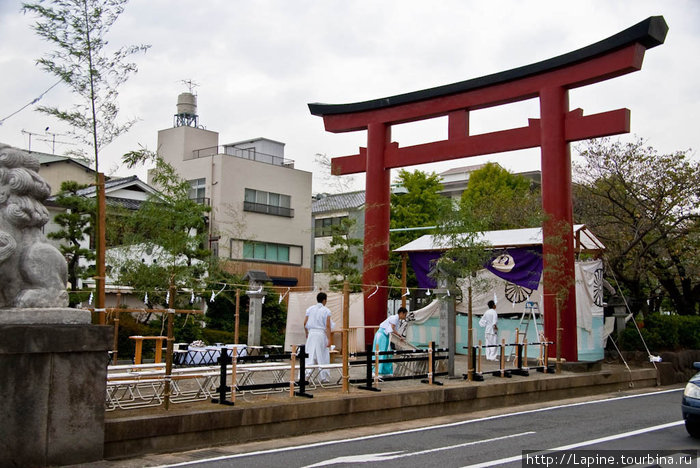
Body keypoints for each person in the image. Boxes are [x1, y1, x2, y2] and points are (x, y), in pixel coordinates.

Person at [304, 292, 332, 382]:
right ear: (324, 300)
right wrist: (329, 339)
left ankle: (307, 374)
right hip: (320, 334)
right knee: (322, 355)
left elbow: (304, 323)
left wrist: (306, 333)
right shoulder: (326, 310)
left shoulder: (310, 309)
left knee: (310, 354)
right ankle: (323, 377)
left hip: (311, 333)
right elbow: (328, 326)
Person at [372, 307, 408, 376]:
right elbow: (392, 329)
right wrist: (399, 336)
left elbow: (393, 330)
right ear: (401, 313)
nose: (405, 316)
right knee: (381, 353)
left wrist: (399, 336)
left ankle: (385, 372)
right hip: (382, 336)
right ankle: (376, 372)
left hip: (385, 336)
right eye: (405, 315)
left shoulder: (396, 319)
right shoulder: (394, 318)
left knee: (387, 353)